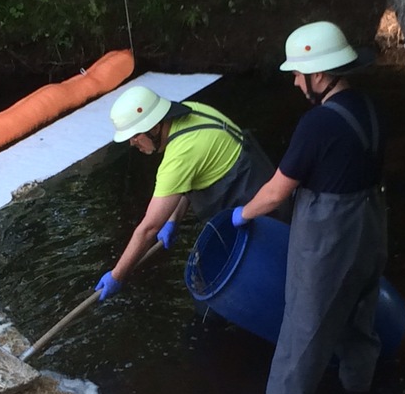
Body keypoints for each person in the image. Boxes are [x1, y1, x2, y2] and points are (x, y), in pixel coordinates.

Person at [230, 20, 387, 394]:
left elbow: (277, 191)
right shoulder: (368, 106)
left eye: (298, 74)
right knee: (359, 311)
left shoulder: (317, 123)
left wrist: (242, 214)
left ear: (319, 74)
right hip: (371, 222)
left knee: (305, 322)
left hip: (330, 235)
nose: (296, 82)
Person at [94, 85, 276, 300]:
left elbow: (148, 228)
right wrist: (174, 219)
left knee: (254, 283)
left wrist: (118, 275)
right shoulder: (191, 110)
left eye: (134, 136)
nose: (133, 143)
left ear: (153, 127)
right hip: (263, 184)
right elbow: (190, 176)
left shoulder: (179, 156)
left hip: (255, 208)